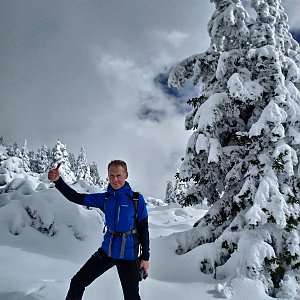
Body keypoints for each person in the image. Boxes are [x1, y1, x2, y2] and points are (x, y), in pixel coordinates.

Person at [48, 160, 150, 300]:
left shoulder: (136, 200)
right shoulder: (105, 198)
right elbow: (77, 197)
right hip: (107, 252)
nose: (115, 179)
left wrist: (145, 257)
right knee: (77, 282)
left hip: (128, 255)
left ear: (126, 175)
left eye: (118, 175)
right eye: (111, 175)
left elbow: (144, 229)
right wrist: (58, 181)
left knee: (131, 297)